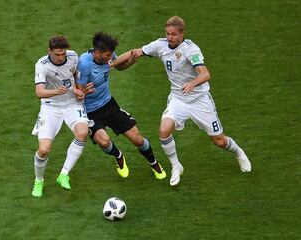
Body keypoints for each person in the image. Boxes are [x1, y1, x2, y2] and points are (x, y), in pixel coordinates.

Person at [129, 16, 251, 186]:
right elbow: (137, 51)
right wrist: (114, 63)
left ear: (182, 34)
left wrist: (192, 83)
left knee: (219, 141)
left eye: (174, 34)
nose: (170, 37)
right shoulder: (160, 45)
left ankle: (239, 153)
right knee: (164, 130)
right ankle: (176, 166)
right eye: (168, 34)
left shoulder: (191, 50)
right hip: (178, 99)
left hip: (199, 100)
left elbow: (205, 74)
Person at [75, 32, 166, 179]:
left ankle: (153, 162)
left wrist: (133, 60)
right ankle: (118, 156)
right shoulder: (84, 64)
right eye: (107, 55)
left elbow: (119, 67)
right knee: (104, 142)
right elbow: (78, 93)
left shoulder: (106, 56)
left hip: (109, 105)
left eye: (111, 55)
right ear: (97, 53)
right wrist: (84, 91)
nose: (110, 58)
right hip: (90, 111)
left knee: (137, 139)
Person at [31, 35, 91, 197]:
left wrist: (79, 90)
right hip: (51, 107)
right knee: (44, 150)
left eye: (63, 53)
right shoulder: (42, 65)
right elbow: (39, 92)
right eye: (57, 54)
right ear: (49, 51)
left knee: (83, 133)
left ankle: (64, 174)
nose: (60, 57)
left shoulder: (73, 57)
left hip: (72, 104)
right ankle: (39, 180)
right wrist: (55, 92)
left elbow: (75, 79)